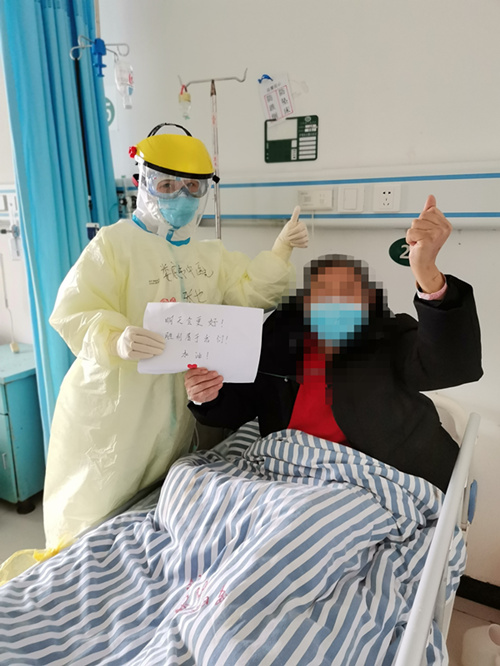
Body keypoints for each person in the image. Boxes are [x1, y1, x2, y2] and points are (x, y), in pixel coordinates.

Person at [43, 123, 308, 548]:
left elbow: (248, 295)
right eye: (167, 185)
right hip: (114, 405)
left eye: (192, 187)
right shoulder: (114, 245)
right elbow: (75, 310)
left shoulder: (208, 256)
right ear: (143, 183)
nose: (181, 197)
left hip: (176, 404)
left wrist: (280, 250)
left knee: (149, 513)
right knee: (96, 511)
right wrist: (115, 338)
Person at [185, 195, 483, 492]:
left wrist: (427, 274)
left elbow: (449, 365)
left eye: (349, 292)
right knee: (186, 480)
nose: (335, 301)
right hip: (291, 474)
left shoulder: (387, 337)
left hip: (377, 476)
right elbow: (238, 406)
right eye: (322, 292)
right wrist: (206, 394)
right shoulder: (279, 339)